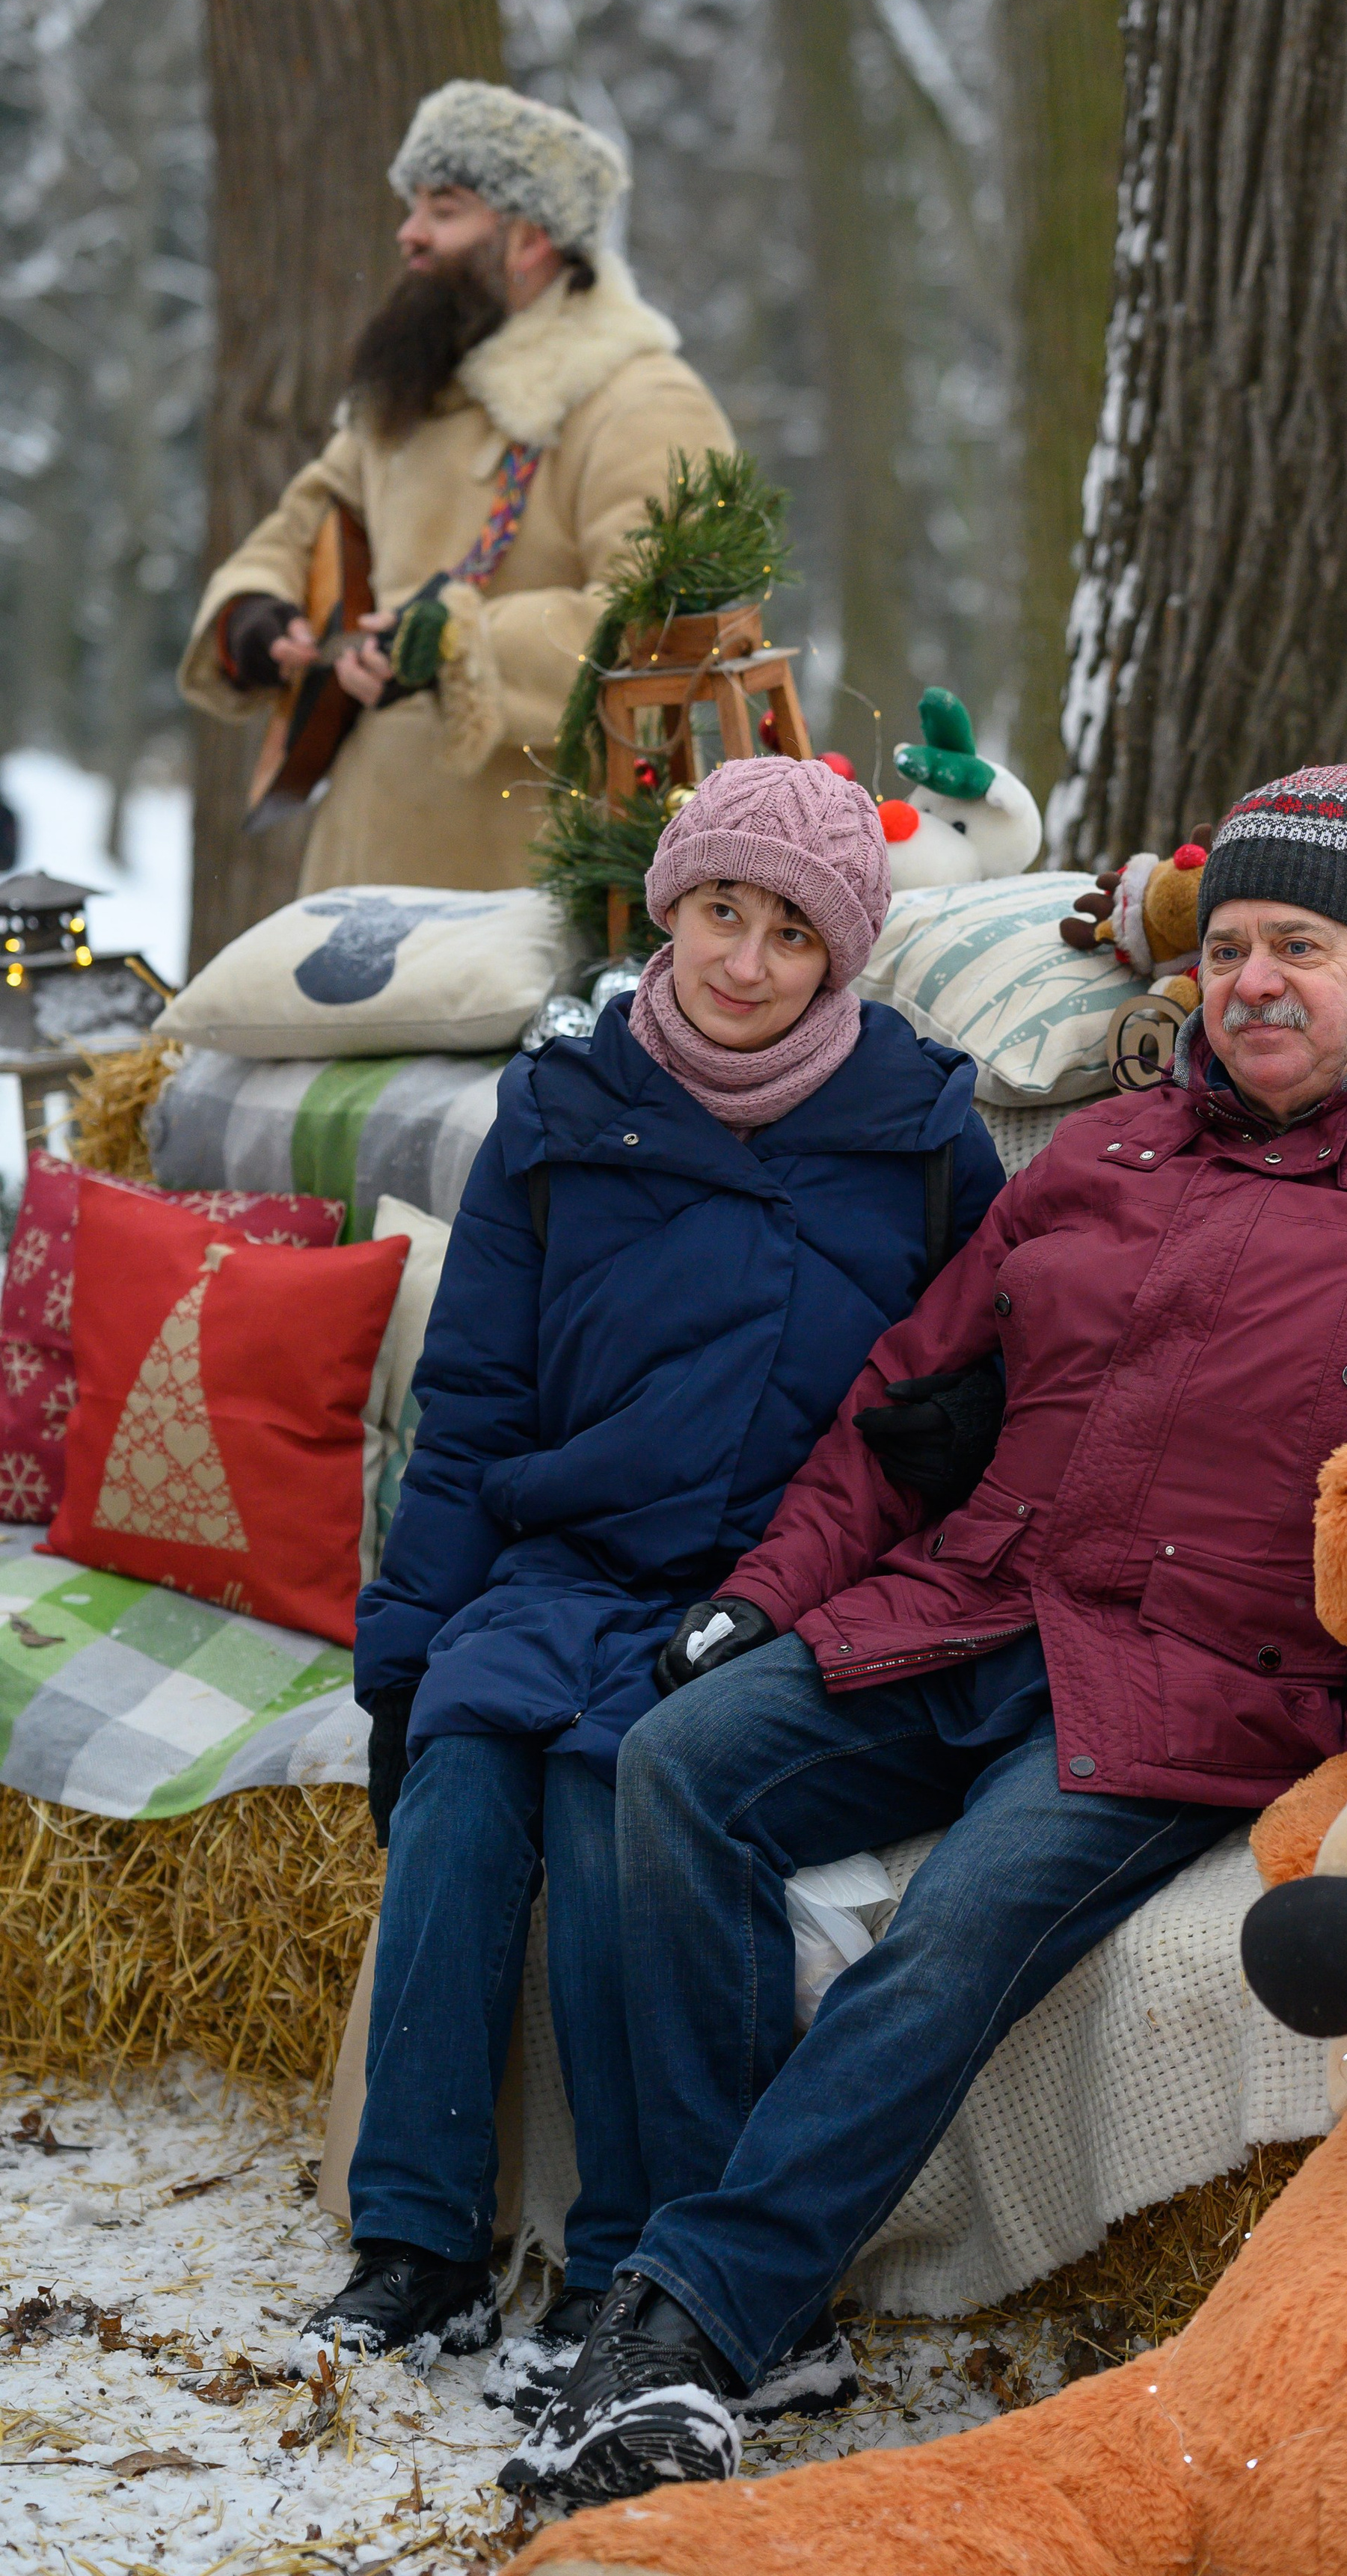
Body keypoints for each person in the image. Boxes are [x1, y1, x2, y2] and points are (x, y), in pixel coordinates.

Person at [501, 762, 1347, 2509]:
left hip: (1191, 1670)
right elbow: (897, 1402)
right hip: (974, 1604)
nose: (1250, 981)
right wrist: (757, 1597)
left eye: (1299, 943)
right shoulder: (1109, 1142)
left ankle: (683, 2325)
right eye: (1224, 945)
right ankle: (754, 2304)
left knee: (951, 1928)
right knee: (677, 1759)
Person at [298, 757, 1001, 2417]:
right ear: (666, 909)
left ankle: (630, 2258)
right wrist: (400, 1658)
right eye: (717, 912)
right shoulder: (558, 1112)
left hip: (773, 1584)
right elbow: (470, 1411)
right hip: (570, 1557)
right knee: (464, 1770)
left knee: (616, 1782)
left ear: (843, 958)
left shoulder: (921, 1140)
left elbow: (976, 1370)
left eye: (788, 933)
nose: (743, 960)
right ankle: (418, 2238)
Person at [178, 80, 731, 894]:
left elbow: (665, 627)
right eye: (413, 206)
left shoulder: (643, 402)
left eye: (444, 208)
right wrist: (255, 614)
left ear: (530, 234)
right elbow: (300, 529)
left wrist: (453, 646)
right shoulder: (410, 394)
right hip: (359, 864)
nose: (408, 234)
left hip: (534, 877)